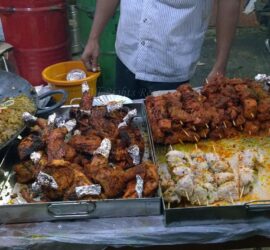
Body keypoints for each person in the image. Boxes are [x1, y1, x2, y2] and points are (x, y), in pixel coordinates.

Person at [81, 0, 241, 99]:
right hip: (127, 56)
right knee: (123, 130)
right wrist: (93, 37)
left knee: (167, 139)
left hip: (170, 66)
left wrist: (220, 65)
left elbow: (229, 3)